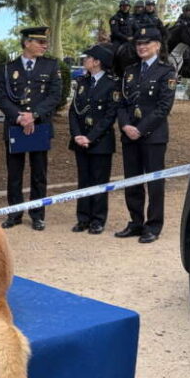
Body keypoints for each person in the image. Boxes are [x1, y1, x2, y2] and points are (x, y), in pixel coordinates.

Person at [0, 26, 62, 231]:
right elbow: (1, 97)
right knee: (14, 173)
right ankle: (14, 213)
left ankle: (37, 214)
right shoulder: (8, 68)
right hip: (16, 127)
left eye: (45, 42)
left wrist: (34, 115)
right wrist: (19, 117)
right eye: (39, 42)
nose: (44, 45)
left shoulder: (51, 66)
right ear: (26, 43)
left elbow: (55, 96)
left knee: (39, 174)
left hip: (39, 126)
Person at [115, 26, 177, 244]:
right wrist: (125, 126)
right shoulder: (129, 71)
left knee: (154, 182)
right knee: (132, 181)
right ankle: (135, 222)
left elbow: (163, 107)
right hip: (129, 135)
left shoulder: (166, 72)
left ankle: (153, 225)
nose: (141, 47)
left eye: (146, 43)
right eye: (139, 44)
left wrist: (140, 129)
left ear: (157, 46)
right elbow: (121, 104)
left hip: (153, 136)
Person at [68, 44, 120, 235]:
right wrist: (77, 135)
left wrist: (90, 137)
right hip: (80, 140)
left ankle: (98, 219)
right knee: (83, 180)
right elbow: (73, 111)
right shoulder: (82, 82)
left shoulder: (112, 84)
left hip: (101, 142)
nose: (84, 61)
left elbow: (109, 116)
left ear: (97, 62)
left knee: (99, 181)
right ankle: (83, 218)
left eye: (87, 58)